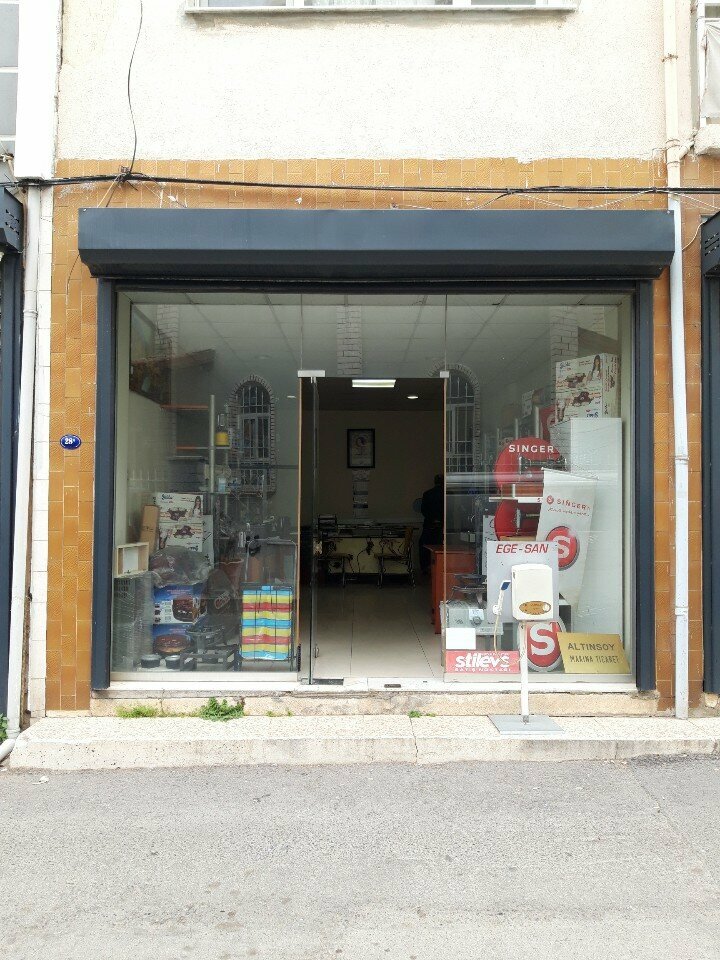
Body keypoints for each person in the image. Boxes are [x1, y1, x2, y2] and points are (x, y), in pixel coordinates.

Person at [419, 474, 444, 575]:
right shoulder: (445, 494)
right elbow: (448, 511)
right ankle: (439, 568)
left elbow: (423, 510)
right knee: (440, 548)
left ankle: (426, 568)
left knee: (424, 547)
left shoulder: (427, 493)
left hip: (429, 525)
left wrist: (432, 519)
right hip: (442, 525)